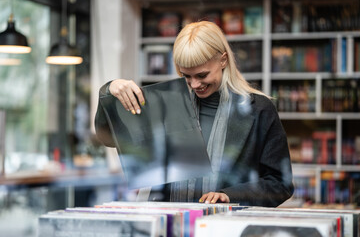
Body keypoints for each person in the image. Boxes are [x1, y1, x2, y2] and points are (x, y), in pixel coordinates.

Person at [95, 21, 294, 207]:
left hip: (225, 227)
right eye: (186, 76)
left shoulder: (259, 109)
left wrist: (230, 196)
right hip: (167, 222)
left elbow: (279, 183)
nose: (195, 85)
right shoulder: (167, 103)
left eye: (202, 75)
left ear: (223, 60)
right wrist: (108, 92)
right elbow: (109, 139)